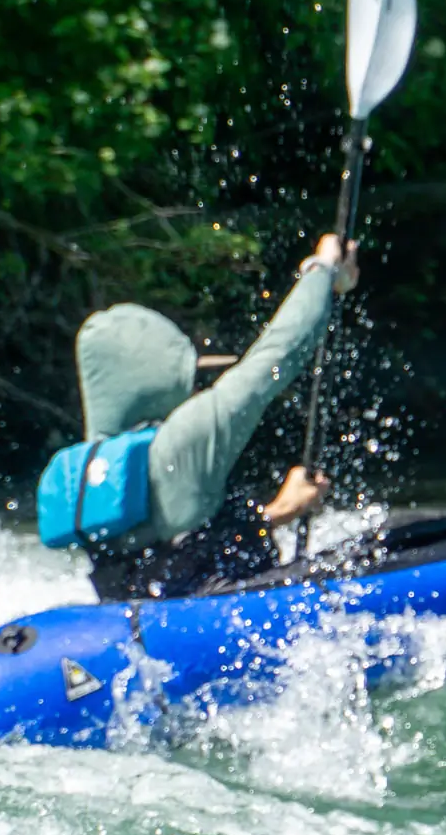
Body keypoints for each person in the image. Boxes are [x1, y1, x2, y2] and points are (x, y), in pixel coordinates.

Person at [71, 232, 359, 601]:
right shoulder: (187, 435)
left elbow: (171, 554)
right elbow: (277, 356)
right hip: (219, 618)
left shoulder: (88, 468)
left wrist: (279, 512)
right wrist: (323, 271)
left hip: (144, 615)